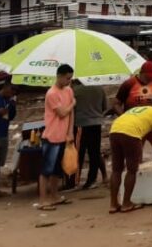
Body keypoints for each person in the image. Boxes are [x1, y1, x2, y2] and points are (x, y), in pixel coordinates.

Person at [108, 94, 152, 214]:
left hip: (114, 130)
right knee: (131, 170)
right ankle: (126, 204)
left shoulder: (134, 109)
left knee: (116, 170)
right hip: (131, 134)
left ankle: (113, 204)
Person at [39, 64, 76, 211]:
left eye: (70, 78)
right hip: (52, 135)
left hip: (63, 135)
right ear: (59, 76)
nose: (69, 81)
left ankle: (54, 195)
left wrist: (70, 132)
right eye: (67, 78)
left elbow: (70, 114)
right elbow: (62, 112)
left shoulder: (69, 91)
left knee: (57, 170)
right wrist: (72, 104)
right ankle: (43, 199)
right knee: (46, 170)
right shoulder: (51, 93)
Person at [73, 78, 108, 190]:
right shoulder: (99, 88)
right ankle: (91, 180)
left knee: (79, 153)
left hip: (81, 124)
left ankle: (75, 181)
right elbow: (105, 107)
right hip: (96, 123)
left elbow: (72, 109)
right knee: (94, 152)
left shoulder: (75, 90)